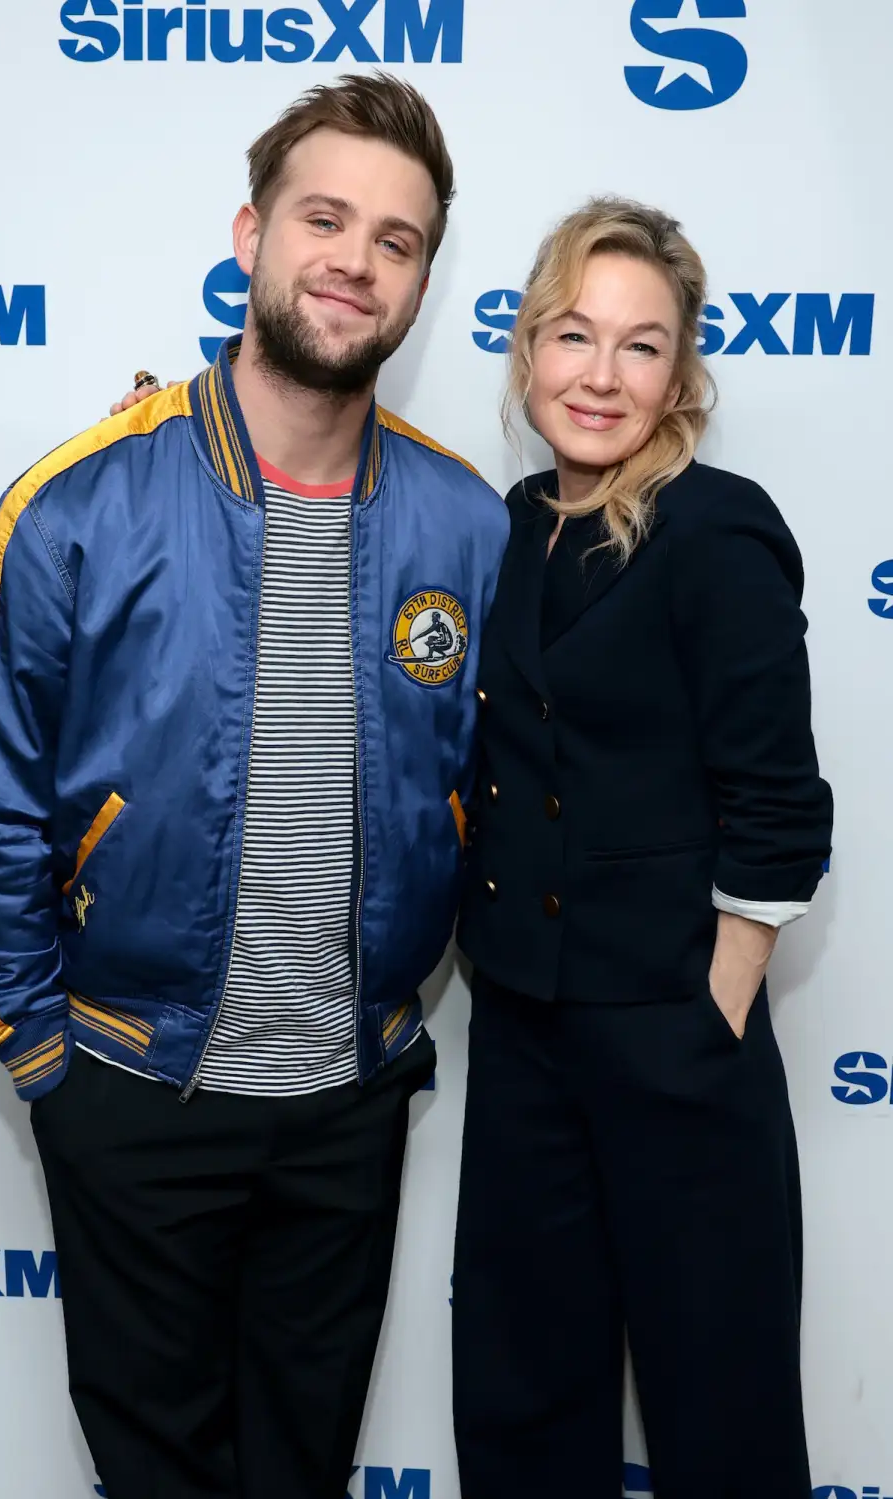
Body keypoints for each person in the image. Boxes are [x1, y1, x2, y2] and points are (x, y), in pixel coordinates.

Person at [0, 74, 508, 1499]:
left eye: (397, 239)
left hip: (350, 1106)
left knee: (300, 1473)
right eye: (325, 217)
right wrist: (46, 1060)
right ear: (249, 234)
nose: (354, 261)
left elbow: (497, 792)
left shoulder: (468, 525)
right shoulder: (77, 502)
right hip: (131, 1092)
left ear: (424, 280)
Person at [451, 199, 833, 1499]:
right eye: (574, 335)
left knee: (718, 1417)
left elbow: (780, 802)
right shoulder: (503, 527)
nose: (600, 376)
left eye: (640, 344)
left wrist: (711, 1012)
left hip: (674, 1040)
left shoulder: (717, 531)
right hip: (518, 1036)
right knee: (520, 1405)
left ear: (682, 374)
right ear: (527, 350)